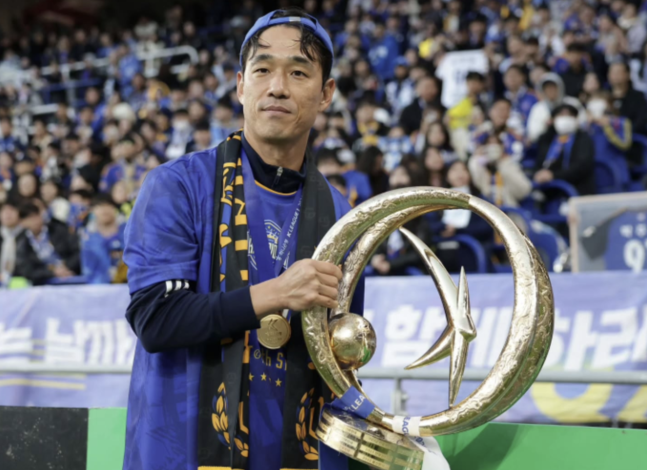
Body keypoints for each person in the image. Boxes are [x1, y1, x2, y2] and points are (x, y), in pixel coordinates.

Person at [122, 10, 448, 470]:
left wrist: (392, 436)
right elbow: (157, 320)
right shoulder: (177, 186)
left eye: (298, 72)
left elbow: (337, 360)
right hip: (179, 455)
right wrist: (276, 294)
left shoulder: (342, 216)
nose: (277, 87)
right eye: (262, 70)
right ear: (241, 86)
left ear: (326, 93)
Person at [534, 104, 596, 196]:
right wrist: (539, 174)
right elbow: (539, 162)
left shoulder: (583, 138)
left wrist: (553, 175)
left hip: (577, 189)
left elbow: (582, 167)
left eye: (570, 115)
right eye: (561, 115)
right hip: (548, 190)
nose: (565, 119)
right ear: (553, 120)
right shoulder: (547, 139)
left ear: (576, 119)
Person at [14, 201, 80, 285]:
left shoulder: (59, 229)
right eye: (29, 218)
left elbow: (77, 251)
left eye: (36, 216)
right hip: (42, 283)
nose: (34, 221)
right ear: (22, 223)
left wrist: (66, 266)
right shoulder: (21, 242)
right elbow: (27, 270)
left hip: (71, 274)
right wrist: (52, 272)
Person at [468, 134, 532, 207]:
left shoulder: (508, 165)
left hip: (508, 208)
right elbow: (477, 183)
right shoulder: (481, 166)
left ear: (502, 147)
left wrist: (503, 164)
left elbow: (524, 190)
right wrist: (476, 158)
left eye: (496, 144)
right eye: (489, 144)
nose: (493, 147)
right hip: (486, 207)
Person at [526, 73, 587, 143]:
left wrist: (570, 121)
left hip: (574, 141)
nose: (550, 90)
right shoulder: (538, 108)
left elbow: (584, 123)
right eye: (547, 88)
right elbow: (533, 134)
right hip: (548, 143)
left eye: (553, 87)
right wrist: (546, 125)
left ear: (560, 87)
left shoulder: (572, 103)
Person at [81, 194, 127, 284]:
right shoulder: (87, 237)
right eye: (99, 206)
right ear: (92, 210)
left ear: (114, 208)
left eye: (108, 205)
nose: (104, 210)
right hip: (98, 287)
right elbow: (88, 269)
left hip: (127, 284)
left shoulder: (128, 231)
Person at [0, 199, 22, 285]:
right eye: (4, 211)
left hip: (21, 281)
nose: (8, 214)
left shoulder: (26, 235)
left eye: (12, 210)